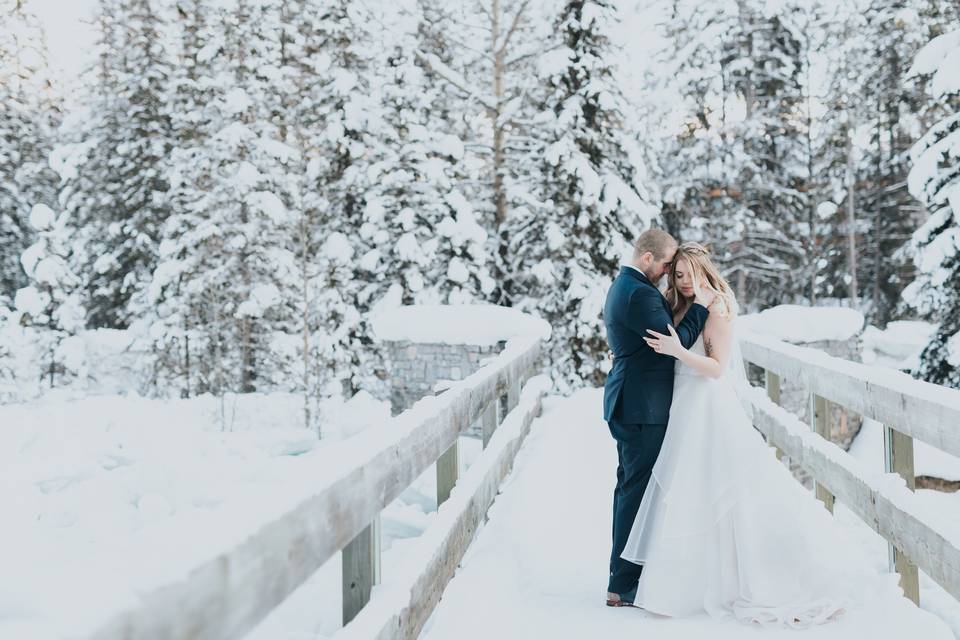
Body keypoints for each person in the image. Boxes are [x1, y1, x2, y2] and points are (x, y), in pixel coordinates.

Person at [602, 229, 713, 608]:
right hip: (641, 408)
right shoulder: (638, 293)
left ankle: (624, 576)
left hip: (632, 402)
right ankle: (623, 584)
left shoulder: (625, 286)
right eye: (667, 264)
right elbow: (672, 345)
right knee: (637, 492)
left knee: (631, 489)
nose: (669, 272)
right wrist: (701, 306)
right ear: (647, 258)